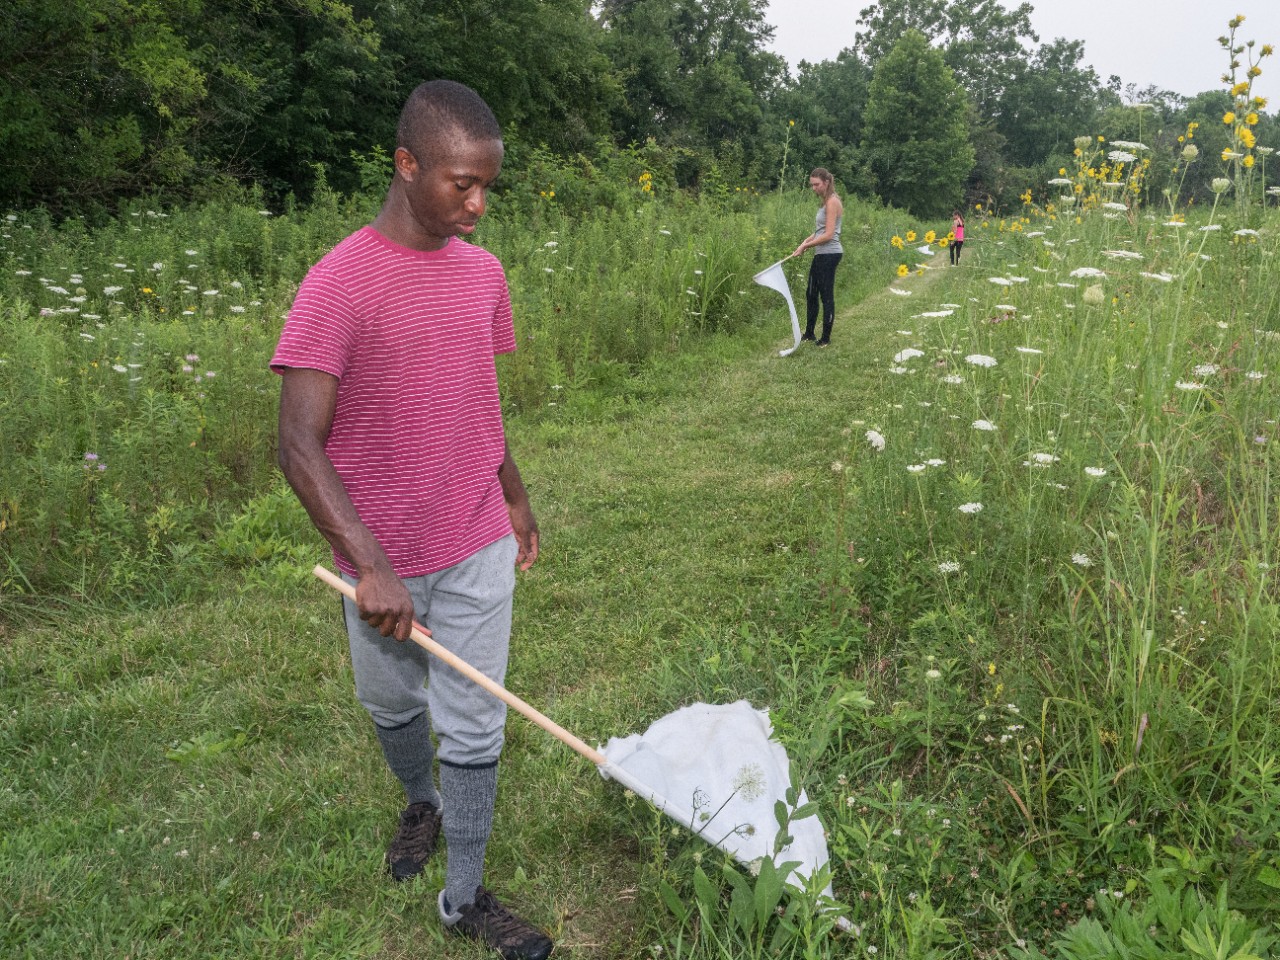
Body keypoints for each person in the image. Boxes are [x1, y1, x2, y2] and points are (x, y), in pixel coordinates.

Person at [272, 79, 553, 960]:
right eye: (460, 184)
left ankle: (464, 896)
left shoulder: (485, 274)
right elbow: (297, 445)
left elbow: (478, 391)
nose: (476, 205)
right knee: (391, 702)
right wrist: (368, 564)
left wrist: (510, 488)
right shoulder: (338, 284)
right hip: (382, 554)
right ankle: (418, 801)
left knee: (475, 718)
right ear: (406, 165)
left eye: (487, 188)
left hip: (473, 534)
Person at [791, 167, 844, 347]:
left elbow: (829, 235)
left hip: (830, 254)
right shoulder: (825, 201)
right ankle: (809, 333)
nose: (814, 188)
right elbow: (819, 232)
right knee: (811, 293)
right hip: (821, 253)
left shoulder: (832, 202)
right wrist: (804, 243)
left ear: (826, 182)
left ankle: (825, 339)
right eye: (811, 185)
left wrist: (806, 245)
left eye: (816, 185)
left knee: (826, 296)